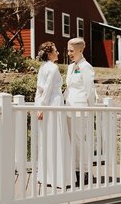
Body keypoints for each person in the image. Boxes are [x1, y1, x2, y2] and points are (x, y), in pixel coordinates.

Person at [35, 41, 71, 188]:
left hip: (45, 102)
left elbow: (40, 90)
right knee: (57, 137)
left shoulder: (42, 67)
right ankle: (59, 178)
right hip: (53, 102)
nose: (58, 53)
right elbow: (49, 89)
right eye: (55, 50)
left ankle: (47, 175)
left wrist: (39, 106)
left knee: (47, 138)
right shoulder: (53, 68)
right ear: (49, 53)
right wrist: (43, 107)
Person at [64, 37, 96, 185]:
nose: (69, 53)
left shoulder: (86, 67)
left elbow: (89, 90)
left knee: (80, 141)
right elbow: (68, 88)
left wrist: (90, 108)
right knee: (72, 141)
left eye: (71, 50)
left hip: (81, 108)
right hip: (69, 108)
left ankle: (86, 172)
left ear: (80, 50)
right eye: (68, 50)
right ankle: (75, 171)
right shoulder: (71, 67)